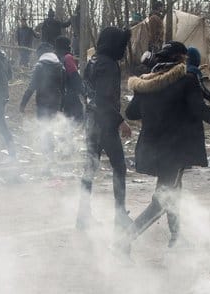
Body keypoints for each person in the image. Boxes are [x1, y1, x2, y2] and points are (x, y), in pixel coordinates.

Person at [121, 41, 210, 250]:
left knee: (173, 193)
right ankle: (124, 241)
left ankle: (176, 238)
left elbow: (131, 113)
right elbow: (199, 109)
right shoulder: (186, 80)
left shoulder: (147, 82)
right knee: (163, 200)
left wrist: (154, 104)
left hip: (153, 149)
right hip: (174, 150)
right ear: (181, 59)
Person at [77, 26, 132, 231]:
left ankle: (82, 216)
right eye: (122, 45)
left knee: (90, 168)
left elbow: (86, 93)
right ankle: (119, 215)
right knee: (119, 167)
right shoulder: (109, 65)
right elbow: (102, 98)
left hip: (91, 122)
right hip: (105, 124)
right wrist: (120, 120)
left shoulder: (92, 61)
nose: (124, 49)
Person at [19, 48, 65, 165]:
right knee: (50, 128)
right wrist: (62, 105)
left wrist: (23, 104)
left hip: (43, 103)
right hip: (55, 103)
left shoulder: (39, 66)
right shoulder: (59, 66)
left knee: (45, 129)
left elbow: (31, 87)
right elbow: (63, 87)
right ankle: (51, 155)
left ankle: (47, 159)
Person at [54, 36, 84, 122]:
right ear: (66, 46)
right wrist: (84, 92)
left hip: (57, 98)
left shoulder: (54, 58)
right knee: (77, 121)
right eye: (69, 45)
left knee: (64, 124)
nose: (71, 47)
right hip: (70, 96)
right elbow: (75, 77)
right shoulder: (67, 58)